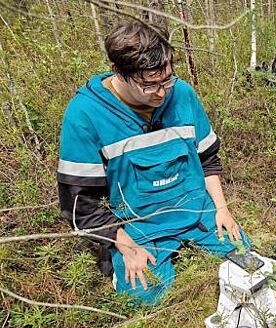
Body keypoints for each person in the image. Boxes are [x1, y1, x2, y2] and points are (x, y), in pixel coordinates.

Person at [57, 21, 250, 303]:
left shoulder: (181, 94)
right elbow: (80, 203)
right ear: (119, 74)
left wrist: (222, 209)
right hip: (137, 225)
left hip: (196, 209)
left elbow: (207, 158)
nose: (162, 92)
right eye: (150, 85)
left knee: (246, 263)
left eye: (167, 79)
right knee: (145, 298)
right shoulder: (85, 114)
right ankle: (119, 265)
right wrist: (123, 244)